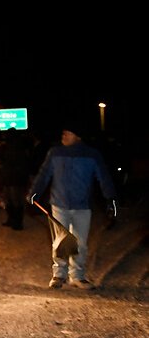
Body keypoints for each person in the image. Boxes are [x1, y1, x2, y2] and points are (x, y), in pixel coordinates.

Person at [28, 122, 117, 290]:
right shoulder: (55, 152)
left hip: (82, 206)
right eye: (63, 133)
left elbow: (103, 177)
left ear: (78, 136)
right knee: (61, 241)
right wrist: (34, 192)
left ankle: (77, 276)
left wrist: (110, 200)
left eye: (67, 133)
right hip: (59, 203)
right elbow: (44, 174)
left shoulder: (92, 155)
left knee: (80, 242)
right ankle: (59, 274)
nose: (63, 136)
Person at [0, 128, 31, 230]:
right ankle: (12, 220)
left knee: (16, 201)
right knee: (10, 201)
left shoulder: (17, 147)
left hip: (15, 179)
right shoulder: (10, 146)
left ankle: (17, 222)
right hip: (10, 178)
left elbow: (17, 164)